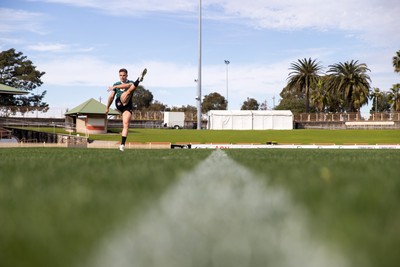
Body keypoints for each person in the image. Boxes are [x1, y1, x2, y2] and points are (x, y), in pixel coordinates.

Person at [106, 68, 147, 151]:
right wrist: (107, 107)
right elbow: (111, 97)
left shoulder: (129, 82)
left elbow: (129, 86)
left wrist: (115, 86)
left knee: (126, 124)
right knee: (126, 93)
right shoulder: (116, 84)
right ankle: (139, 80)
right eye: (120, 75)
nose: (122, 77)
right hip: (119, 103)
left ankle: (122, 145)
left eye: (124, 75)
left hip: (128, 106)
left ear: (127, 75)